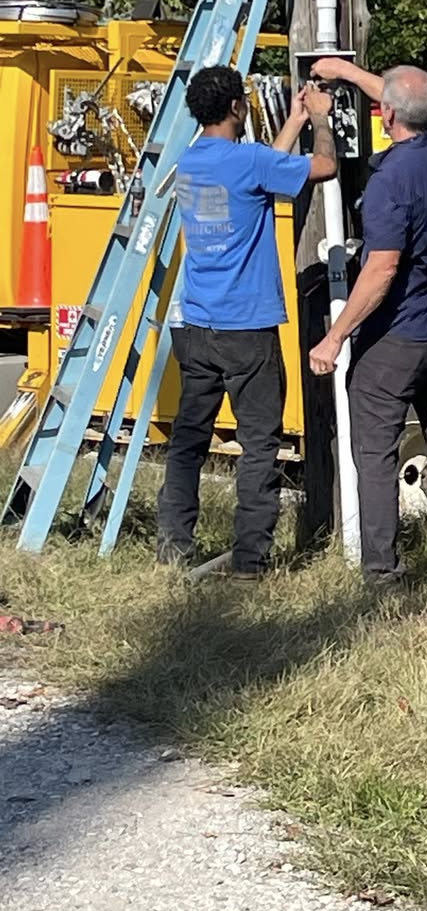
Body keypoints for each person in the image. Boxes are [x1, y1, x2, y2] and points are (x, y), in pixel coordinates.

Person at [307, 57, 427, 592]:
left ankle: (383, 576)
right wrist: (347, 73)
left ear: (387, 115)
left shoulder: (391, 178)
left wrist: (334, 337)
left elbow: (382, 269)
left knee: (375, 455)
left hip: (393, 341)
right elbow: (406, 101)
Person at [157, 64, 338, 576]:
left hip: (197, 325)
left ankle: (173, 547)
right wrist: (320, 120)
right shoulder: (248, 161)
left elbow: (263, 171)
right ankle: (249, 560)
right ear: (237, 106)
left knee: (189, 441)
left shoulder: (191, 161)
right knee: (259, 445)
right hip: (247, 329)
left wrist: (294, 120)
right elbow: (324, 167)